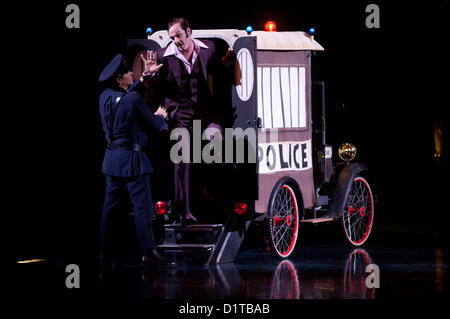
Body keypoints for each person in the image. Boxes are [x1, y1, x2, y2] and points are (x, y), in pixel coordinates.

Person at [142, 17, 236, 225]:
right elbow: (153, 82)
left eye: (179, 35)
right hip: (179, 112)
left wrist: (226, 61)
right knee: (182, 159)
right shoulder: (163, 56)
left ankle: (212, 195)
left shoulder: (208, 48)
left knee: (218, 141)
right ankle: (184, 211)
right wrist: (148, 75)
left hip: (203, 109)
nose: (176, 40)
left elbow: (216, 70)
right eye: (172, 37)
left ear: (189, 32)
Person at [98, 53, 168, 265]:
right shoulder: (134, 100)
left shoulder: (104, 97)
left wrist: (145, 76)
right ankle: (148, 253)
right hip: (133, 162)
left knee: (109, 211)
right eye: (128, 73)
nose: (132, 74)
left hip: (112, 160)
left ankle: (104, 254)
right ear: (120, 79)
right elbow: (154, 125)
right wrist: (161, 117)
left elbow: (126, 97)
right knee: (142, 209)